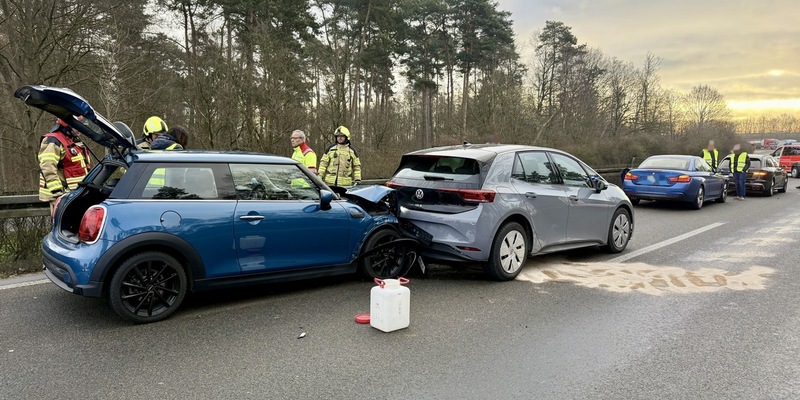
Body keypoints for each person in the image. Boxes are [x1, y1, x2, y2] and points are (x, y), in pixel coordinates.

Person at [38, 117, 91, 215]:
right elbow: (48, 168)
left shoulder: (73, 141)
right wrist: (58, 193)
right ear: (67, 125)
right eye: (77, 127)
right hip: (61, 196)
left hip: (75, 195)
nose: (80, 130)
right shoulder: (52, 140)